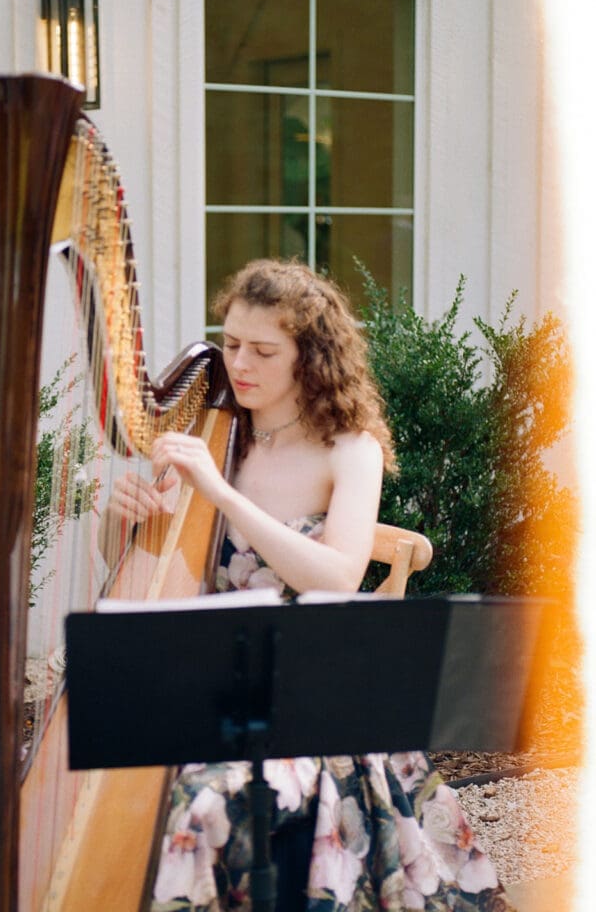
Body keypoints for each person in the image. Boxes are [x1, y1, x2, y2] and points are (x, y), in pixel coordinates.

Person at [103, 259, 514, 912]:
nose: (239, 363)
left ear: (310, 357)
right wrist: (121, 520)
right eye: (232, 343)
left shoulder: (348, 450)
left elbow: (336, 575)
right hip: (210, 678)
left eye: (264, 350)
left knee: (201, 798)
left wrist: (220, 494)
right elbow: (149, 573)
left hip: (310, 689)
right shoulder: (210, 433)